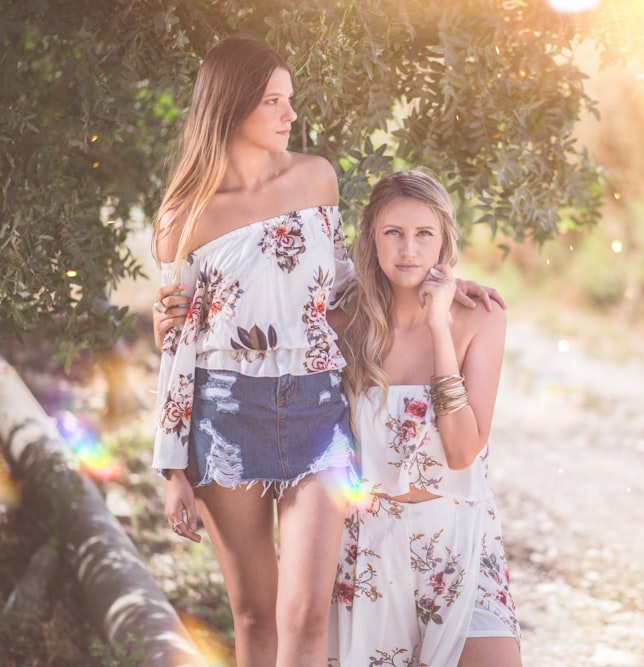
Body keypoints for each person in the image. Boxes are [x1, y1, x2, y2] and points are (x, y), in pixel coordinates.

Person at [149, 36, 502, 666]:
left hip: (317, 411)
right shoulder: (185, 217)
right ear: (230, 109)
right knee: (255, 615)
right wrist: (174, 467)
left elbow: (339, 285)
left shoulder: (316, 178)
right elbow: (178, 345)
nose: (290, 115)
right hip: (226, 415)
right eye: (273, 102)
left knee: (308, 616)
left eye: (290, 100)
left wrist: (435, 282)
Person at [327, 169, 521, 667]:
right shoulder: (344, 321)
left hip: (458, 533)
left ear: (443, 241)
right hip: (370, 544)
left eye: (423, 234)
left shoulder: (480, 317)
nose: (408, 249)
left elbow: (460, 451)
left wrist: (439, 327)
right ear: (372, 236)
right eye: (393, 232)